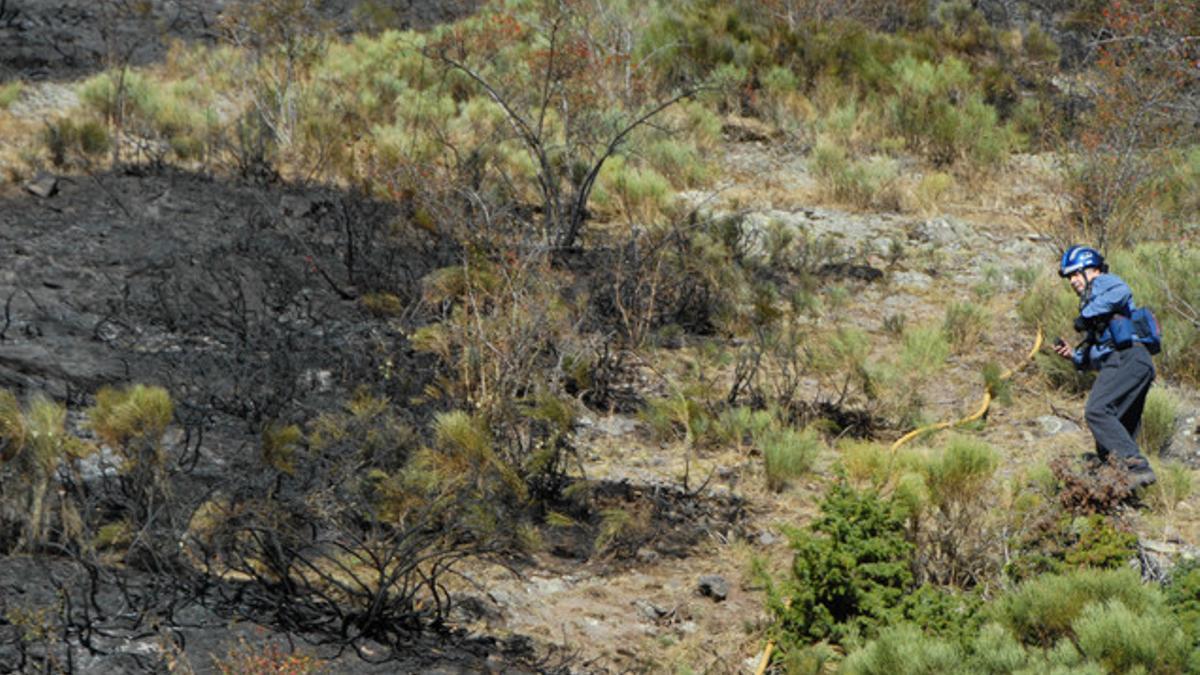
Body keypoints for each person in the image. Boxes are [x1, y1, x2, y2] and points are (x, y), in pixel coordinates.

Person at [1051, 245, 1157, 490]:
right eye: (1069, 277)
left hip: (1128, 358)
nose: (1072, 281)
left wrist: (1087, 314)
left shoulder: (1103, 284)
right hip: (1134, 363)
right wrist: (1074, 356)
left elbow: (1122, 290)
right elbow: (1100, 354)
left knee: (1097, 411)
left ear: (1093, 269)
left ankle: (1136, 467)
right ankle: (1118, 490)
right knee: (1112, 435)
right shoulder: (1099, 309)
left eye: (1076, 273)